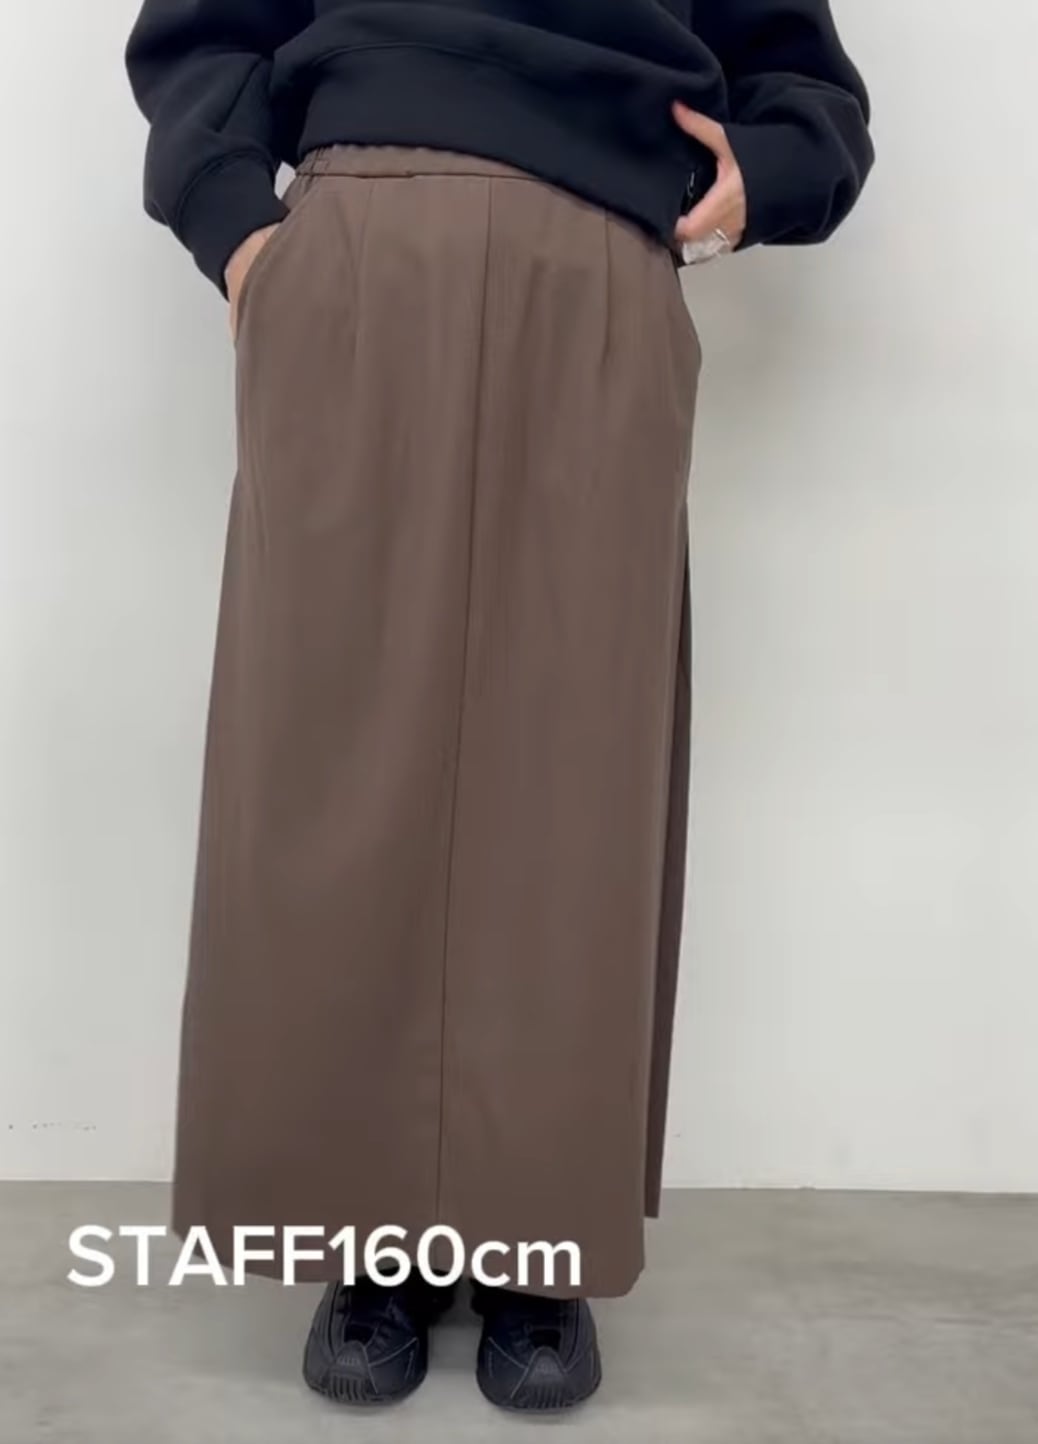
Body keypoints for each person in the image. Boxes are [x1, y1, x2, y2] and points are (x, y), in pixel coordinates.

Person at [125, 0, 872, 1415]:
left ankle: (538, 1241)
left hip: (594, 252)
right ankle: (365, 1236)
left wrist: (762, 178)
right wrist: (242, 230)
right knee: (331, 758)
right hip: (355, 240)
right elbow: (202, 33)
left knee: (570, 770)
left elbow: (799, 78)